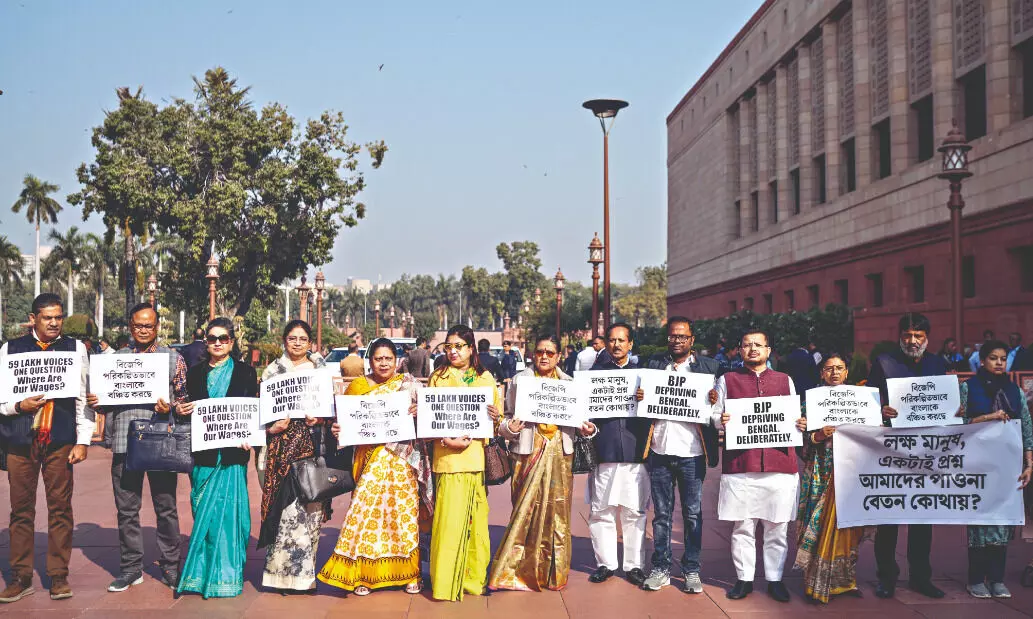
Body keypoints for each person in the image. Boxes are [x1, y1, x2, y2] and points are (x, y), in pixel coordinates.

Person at [86, 303, 189, 592]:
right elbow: (105, 401)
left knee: (166, 507)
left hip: (160, 441)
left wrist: (173, 407)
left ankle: (170, 566)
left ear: (157, 327)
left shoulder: (173, 359)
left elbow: (184, 400)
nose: (143, 330)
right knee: (127, 509)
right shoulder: (113, 360)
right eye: (138, 325)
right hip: (124, 443)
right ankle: (131, 569)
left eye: (149, 325)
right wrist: (98, 401)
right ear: (130, 327)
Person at [320, 337, 432, 596]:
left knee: (402, 517)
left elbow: (428, 422)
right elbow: (345, 421)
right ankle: (363, 575)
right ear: (370, 361)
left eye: (388, 359)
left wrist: (420, 412)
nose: (383, 364)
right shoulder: (359, 386)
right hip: (369, 459)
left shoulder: (409, 386)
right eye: (378, 359)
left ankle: (410, 575)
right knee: (365, 514)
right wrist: (338, 428)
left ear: (397, 361)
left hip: (402, 461)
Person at [0, 293, 92, 604]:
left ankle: (58, 574)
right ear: (33, 319)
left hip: (60, 440)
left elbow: (82, 395)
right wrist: (17, 405)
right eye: (47, 317)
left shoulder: (75, 348)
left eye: (58, 317)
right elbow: (1, 398)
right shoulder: (10, 350)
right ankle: (21, 576)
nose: (53, 322)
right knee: (21, 511)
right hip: (21, 439)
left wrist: (83, 440)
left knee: (60, 508)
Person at [490, 335, 597, 592]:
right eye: (540, 352)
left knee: (557, 514)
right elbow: (504, 420)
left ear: (559, 356)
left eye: (550, 352)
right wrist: (509, 428)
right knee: (525, 511)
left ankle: (553, 572)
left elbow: (584, 422)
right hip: (527, 452)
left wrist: (589, 429)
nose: (545, 356)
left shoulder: (570, 384)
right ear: (532, 354)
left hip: (560, 452)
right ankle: (515, 570)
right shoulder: (520, 381)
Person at [716, 329, 806, 603]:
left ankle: (774, 579)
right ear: (739, 350)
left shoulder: (784, 380)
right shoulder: (727, 380)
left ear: (768, 350)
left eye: (759, 345)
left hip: (779, 464)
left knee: (777, 526)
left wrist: (800, 423)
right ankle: (744, 579)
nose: (753, 349)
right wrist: (722, 420)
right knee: (743, 526)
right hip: (741, 464)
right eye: (747, 345)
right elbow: (714, 416)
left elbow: (793, 417)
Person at [865, 312, 948, 600]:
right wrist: (881, 410)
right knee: (889, 515)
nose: (912, 341)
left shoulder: (938, 363)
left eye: (919, 336)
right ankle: (886, 577)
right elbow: (869, 404)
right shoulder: (884, 363)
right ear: (900, 336)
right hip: (891, 451)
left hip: (926, 451)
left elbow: (946, 403)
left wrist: (954, 411)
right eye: (908, 335)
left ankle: (921, 578)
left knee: (923, 516)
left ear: (927, 338)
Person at [176, 318, 258, 599]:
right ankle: (199, 576)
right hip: (205, 456)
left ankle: (227, 576)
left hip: (234, 456)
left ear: (232, 342)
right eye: (212, 339)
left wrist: (252, 435)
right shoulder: (195, 373)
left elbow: (253, 411)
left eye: (223, 338)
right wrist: (181, 409)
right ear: (206, 342)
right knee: (205, 516)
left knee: (232, 516)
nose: (218, 343)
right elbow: (183, 405)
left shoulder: (247, 373)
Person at [637, 317, 720, 594]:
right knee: (661, 515)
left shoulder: (710, 368)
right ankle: (660, 568)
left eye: (683, 337)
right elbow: (642, 400)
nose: (677, 341)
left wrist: (712, 400)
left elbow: (721, 407)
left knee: (693, 514)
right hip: (660, 450)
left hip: (692, 453)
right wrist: (640, 396)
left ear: (692, 340)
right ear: (668, 338)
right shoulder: (654, 366)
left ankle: (691, 569)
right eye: (673, 336)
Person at [428, 325, 501, 601]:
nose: (453, 351)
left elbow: (497, 416)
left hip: (474, 459)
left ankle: (473, 580)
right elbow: (430, 419)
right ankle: (445, 583)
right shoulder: (438, 377)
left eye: (459, 345)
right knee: (448, 523)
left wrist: (494, 415)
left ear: (471, 348)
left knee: (476, 524)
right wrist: (446, 440)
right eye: (449, 346)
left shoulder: (484, 378)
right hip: (447, 459)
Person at [256, 320, 331, 592]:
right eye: (292, 338)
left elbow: (333, 410)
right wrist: (272, 427)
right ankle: (283, 577)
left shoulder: (321, 371)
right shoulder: (272, 372)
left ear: (310, 343)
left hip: (314, 449)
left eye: (302, 338)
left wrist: (320, 418)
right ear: (284, 341)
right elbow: (261, 411)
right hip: (280, 452)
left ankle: (305, 577)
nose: (297, 343)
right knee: (286, 513)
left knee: (311, 512)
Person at [794, 353, 871, 604]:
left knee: (848, 526)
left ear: (847, 372)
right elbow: (800, 441)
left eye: (840, 368)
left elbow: (875, 432)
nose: (835, 372)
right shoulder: (811, 401)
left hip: (852, 470)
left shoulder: (862, 400)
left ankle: (845, 581)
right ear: (821, 373)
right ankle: (814, 583)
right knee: (818, 524)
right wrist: (817, 435)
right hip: (821, 471)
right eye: (829, 368)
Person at [959, 340, 1033, 599]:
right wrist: (986, 418)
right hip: (977, 465)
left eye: (1003, 358)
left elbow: (1025, 427)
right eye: (993, 358)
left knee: (1002, 522)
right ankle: (976, 579)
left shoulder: (1015, 392)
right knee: (979, 524)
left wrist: (1029, 464)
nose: (999, 362)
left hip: (1007, 466)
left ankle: (997, 579)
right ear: (982, 361)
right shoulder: (968, 388)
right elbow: (957, 425)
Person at [586, 323, 650, 587]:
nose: (616, 345)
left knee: (635, 511)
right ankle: (606, 563)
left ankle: (634, 565)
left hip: (637, 451)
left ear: (630, 344)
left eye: (622, 340)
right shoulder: (593, 375)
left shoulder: (643, 376)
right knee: (602, 510)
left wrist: (646, 397)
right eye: (612, 340)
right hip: (604, 451)